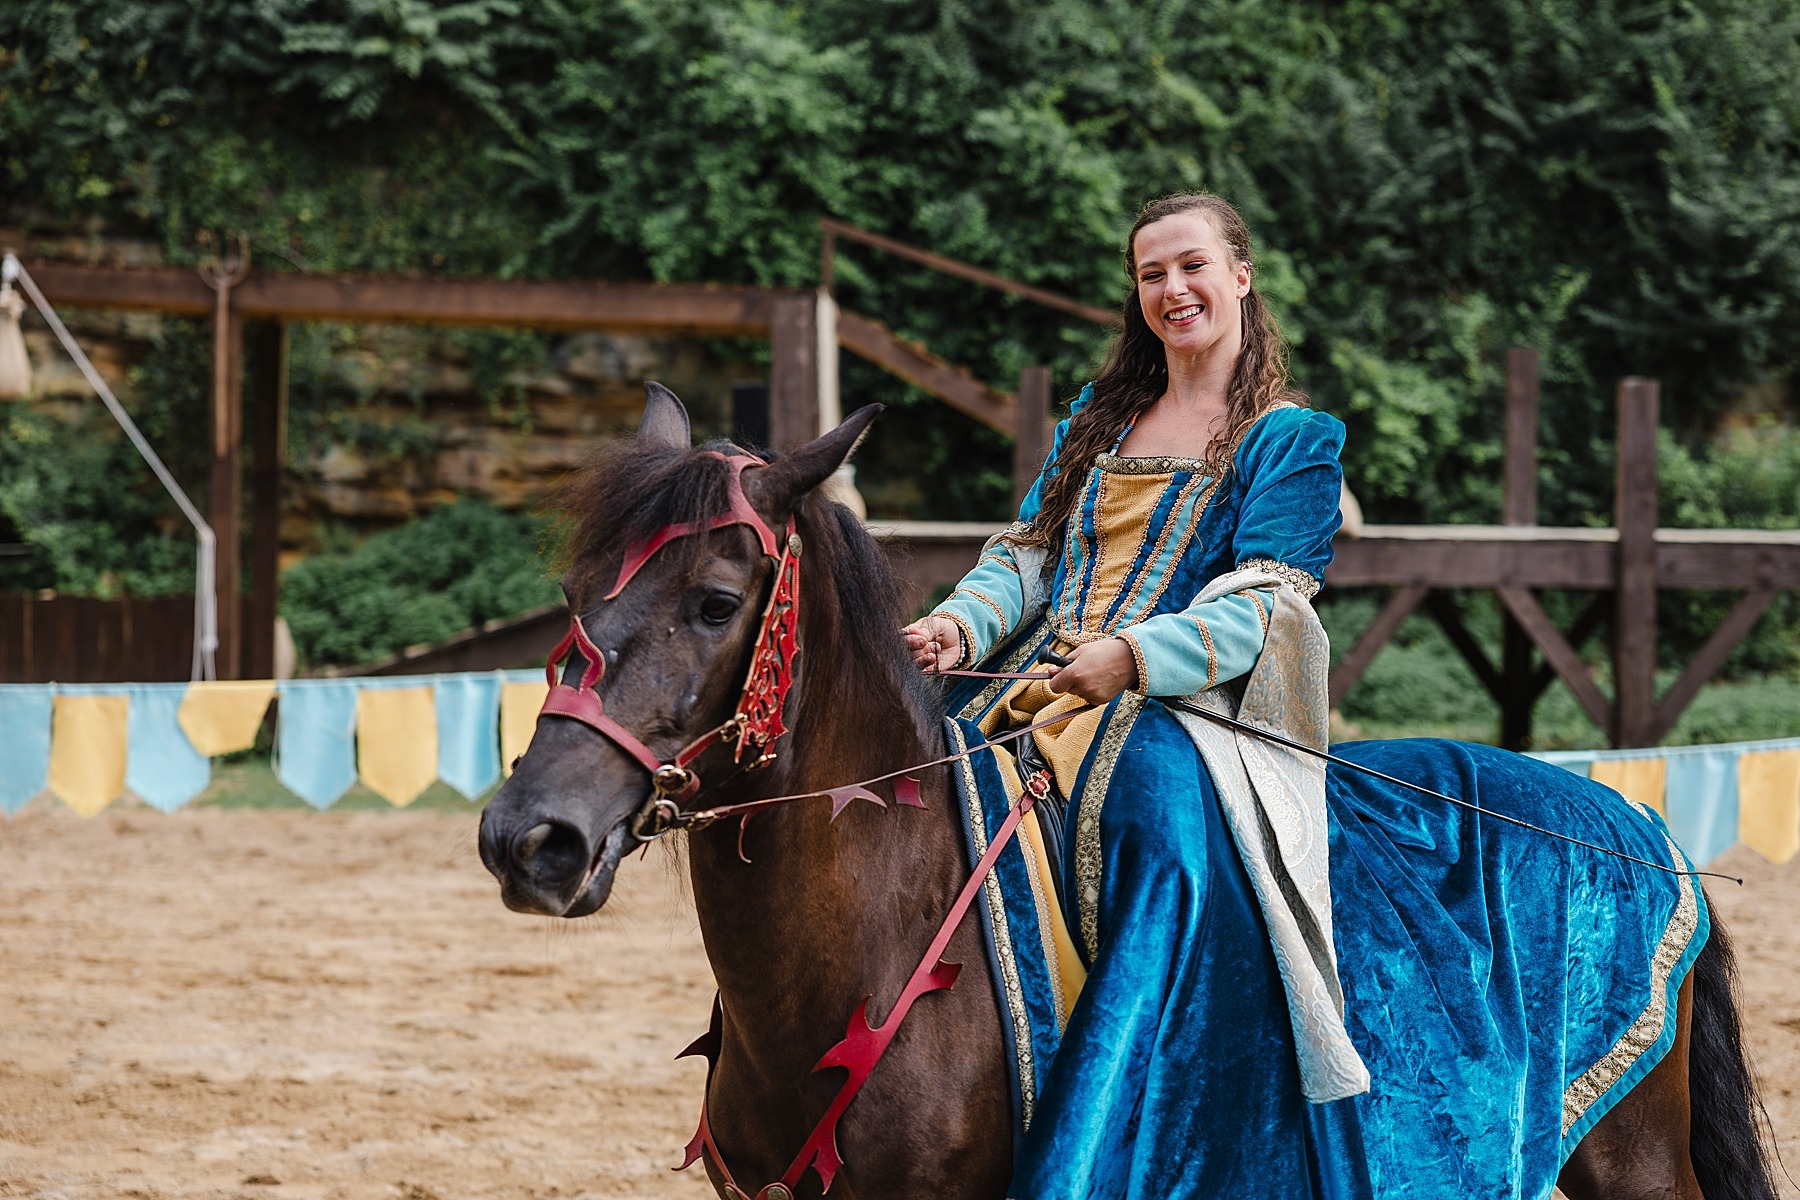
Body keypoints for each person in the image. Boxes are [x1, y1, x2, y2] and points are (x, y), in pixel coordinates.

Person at [900, 194, 1705, 1199]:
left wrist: (1134, 658)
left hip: (1180, 713)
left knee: (1156, 827)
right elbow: (1026, 557)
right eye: (1151, 274)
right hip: (1037, 691)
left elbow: (1268, 608)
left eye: (1191, 266)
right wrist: (957, 626)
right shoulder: (1094, 423)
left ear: (1240, 276)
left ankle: (1133, 1124)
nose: (1172, 290)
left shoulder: (1290, 440)